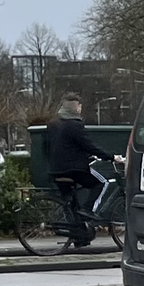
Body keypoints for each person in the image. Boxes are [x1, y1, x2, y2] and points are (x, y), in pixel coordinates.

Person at [49, 95, 113, 246]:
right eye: (79, 106)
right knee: (100, 183)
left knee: (71, 205)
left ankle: (79, 237)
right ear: (74, 108)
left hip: (56, 169)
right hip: (73, 169)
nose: (80, 109)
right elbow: (88, 145)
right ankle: (88, 210)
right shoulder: (75, 125)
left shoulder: (53, 124)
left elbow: (58, 146)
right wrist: (110, 157)